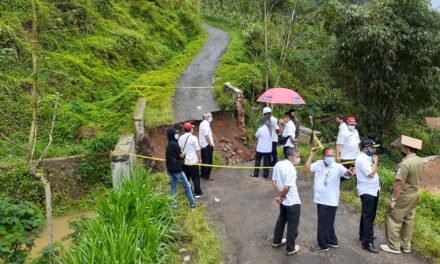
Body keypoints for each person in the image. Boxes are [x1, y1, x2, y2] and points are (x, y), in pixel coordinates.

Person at [305, 147, 356, 252]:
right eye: (328, 156)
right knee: (328, 222)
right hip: (320, 198)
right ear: (323, 156)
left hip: (330, 200)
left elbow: (346, 173)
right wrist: (311, 155)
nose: (331, 158)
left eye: (332, 155)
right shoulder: (319, 163)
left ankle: (323, 245)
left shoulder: (337, 167)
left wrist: (350, 172)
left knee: (323, 223)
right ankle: (332, 240)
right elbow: (307, 168)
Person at [380, 135, 424, 254]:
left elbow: (400, 183)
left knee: (393, 217)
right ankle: (405, 245)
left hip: (404, 195)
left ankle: (394, 246)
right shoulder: (420, 160)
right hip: (415, 194)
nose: (400, 149)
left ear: (407, 148)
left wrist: (393, 200)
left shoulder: (405, 164)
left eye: (402, 147)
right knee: (409, 219)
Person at [271, 147, 302, 256]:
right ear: (291, 156)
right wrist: (281, 197)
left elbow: (273, 181)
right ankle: (290, 248)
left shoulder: (278, 164)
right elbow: (287, 188)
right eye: (297, 156)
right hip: (292, 201)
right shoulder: (291, 169)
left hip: (284, 202)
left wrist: (280, 195)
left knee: (281, 220)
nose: (299, 158)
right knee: (292, 225)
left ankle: (276, 241)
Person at [355, 139, 381, 253]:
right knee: (369, 217)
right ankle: (368, 243)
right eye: (372, 148)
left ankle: (363, 235)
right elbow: (371, 174)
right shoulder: (361, 159)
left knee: (367, 215)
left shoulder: (366, 157)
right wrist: (376, 162)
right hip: (367, 191)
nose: (374, 150)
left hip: (373, 190)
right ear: (366, 148)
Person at [165, 127, 195, 208]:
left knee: (173, 187)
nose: (177, 135)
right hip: (177, 170)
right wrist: (184, 154)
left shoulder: (169, 144)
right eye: (176, 134)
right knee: (187, 186)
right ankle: (192, 204)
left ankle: (173, 205)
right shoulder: (174, 145)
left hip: (171, 170)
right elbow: (181, 156)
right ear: (172, 135)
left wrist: (181, 155)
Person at [179, 122, 204, 198]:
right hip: (193, 162)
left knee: (186, 178)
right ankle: (198, 193)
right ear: (190, 129)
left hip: (184, 162)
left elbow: (180, 150)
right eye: (192, 128)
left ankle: (189, 193)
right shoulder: (193, 138)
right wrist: (199, 160)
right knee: (195, 177)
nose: (193, 129)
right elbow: (198, 150)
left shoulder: (180, 138)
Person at [199, 112, 214, 180]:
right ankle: (206, 175)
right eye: (210, 116)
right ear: (207, 117)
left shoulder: (202, 123)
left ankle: (203, 174)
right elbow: (206, 135)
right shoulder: (205, 124)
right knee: (208, 160)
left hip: (203, 145)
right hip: (207, 145)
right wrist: (210, 144)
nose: (211, 118)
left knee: (204, 160)